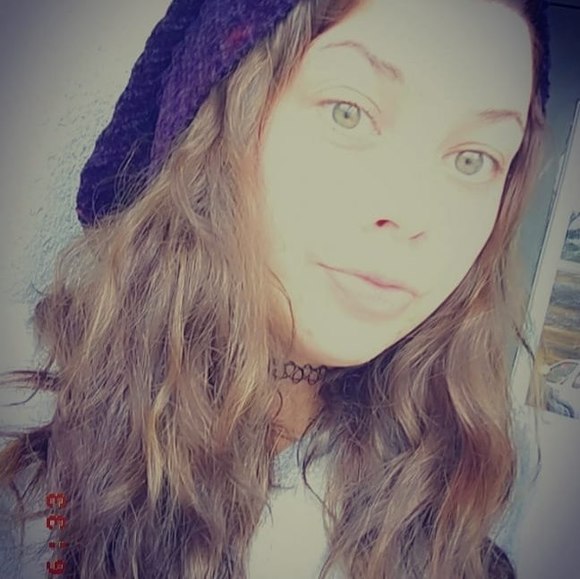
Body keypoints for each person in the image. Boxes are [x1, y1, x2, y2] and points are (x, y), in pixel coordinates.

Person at [0, 0, 551, 577]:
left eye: (472, 159)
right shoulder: (26, 417)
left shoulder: (478, 480)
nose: (415, 214)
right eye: (348, 112)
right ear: (216, 125)